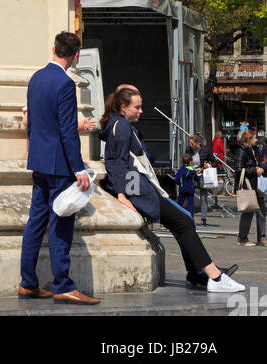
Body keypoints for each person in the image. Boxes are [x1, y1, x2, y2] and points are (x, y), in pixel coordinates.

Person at [102, 86, 243, 293]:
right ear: (124, 107)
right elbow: (119, 164)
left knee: (183, 219)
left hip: (140, 186)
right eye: (137, 107)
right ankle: (214, 276)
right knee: (183, 220)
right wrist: (125, 194)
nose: (141, 111)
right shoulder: (121, 125)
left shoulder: (121, 123)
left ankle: (199, 272)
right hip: (139, 188)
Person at [19, 31, 100, 304]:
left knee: (35, 222)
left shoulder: (36, 78)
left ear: (53, 48)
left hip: (39, 161)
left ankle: (28, 282)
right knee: (60, 225)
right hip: (59, 164)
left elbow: (31, 123)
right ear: (76, 55)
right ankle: (63, 284)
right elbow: (68, 130)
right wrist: (79, 169)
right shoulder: (65, 84)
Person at [234, 129, 266, 247]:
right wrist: (254, 170)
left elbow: (256, 164)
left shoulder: (253, 149)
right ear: (248, 139)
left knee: (262, 211)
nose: (256, 140)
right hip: (247, 186)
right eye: (254, 138)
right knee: (248, 212)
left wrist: (261, 167)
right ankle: (242, 238)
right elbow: (238, 168)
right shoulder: (241, 150)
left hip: (255, 185)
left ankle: (261, 238)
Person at [174, 153, 197, 218]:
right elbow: (197, 179)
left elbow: (176, 180)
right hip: (190, 189)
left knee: (179, 204)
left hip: (182, 189)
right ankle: (190, 218)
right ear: (190, 162)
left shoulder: (180, 170)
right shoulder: (192, 170)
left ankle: (177, 217)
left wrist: (180, 184)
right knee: (190, 205)